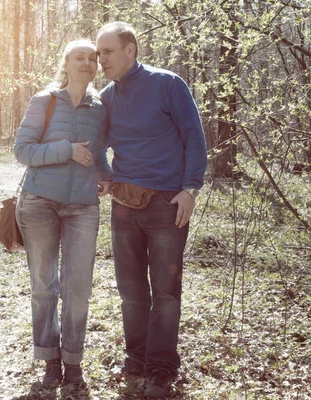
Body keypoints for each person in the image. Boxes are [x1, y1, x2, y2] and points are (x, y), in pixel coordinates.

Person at [96, 22, 208, 398]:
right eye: (98, 53)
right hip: (125, 206)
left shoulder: (168, 84)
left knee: (166, 291)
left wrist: (191, 188)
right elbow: (96, 145)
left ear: (131, 50)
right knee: (130, 291)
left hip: (167, 204)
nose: (101, 59)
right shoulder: (107, 96)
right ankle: (137, 359)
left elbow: (194, 135)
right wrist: (107, 176)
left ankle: (161, 368)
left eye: (107, 51)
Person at [14, 39, 113, 388]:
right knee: (44, 285)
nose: (86, 63)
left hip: (83, 206)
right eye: (79, 58)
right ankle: (49, 358)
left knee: (78, 287)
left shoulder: (101, 106)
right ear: (66, 64)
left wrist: (106, 174)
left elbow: (97, 153)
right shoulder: (45, 101)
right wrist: (66, 150)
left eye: (92, 58)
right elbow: (22, 151)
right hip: (40, 201)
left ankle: (73, 360)